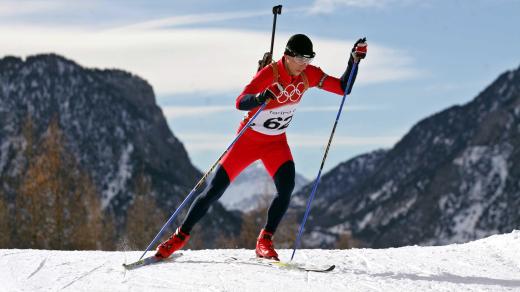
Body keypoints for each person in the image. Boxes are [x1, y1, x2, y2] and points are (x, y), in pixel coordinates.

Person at [155, 34, 367, 261]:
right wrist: (262, 96)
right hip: (248, 141)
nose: (304, 64)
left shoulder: (310, 74)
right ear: (287, 56)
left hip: (275, 143)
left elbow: (343, 88)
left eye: (308, 59)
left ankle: (264, 240)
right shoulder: (270, 73)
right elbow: (240, 102)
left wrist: (353, 61)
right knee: (213, 191)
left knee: (286, 188)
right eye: (300, 59)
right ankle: (179, 236)